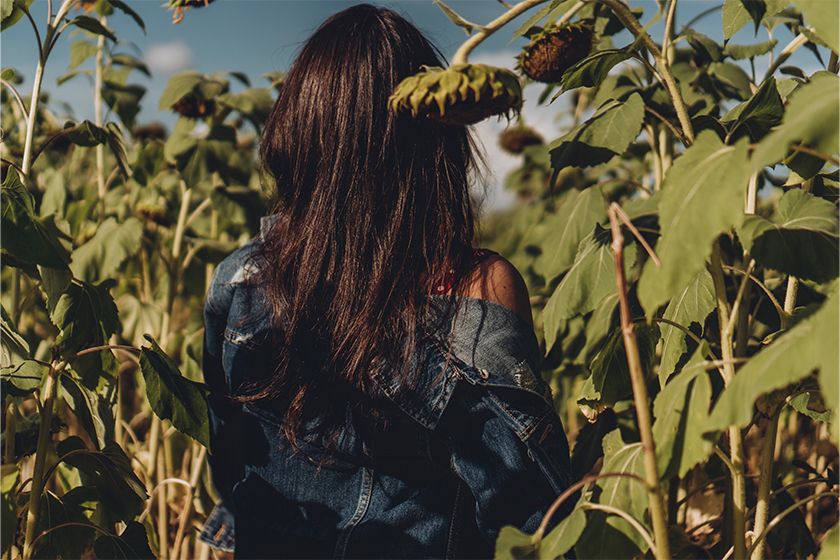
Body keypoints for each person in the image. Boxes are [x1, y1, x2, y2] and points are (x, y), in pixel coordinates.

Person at [199, 4, 573, 558]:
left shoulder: (241, 280)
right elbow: (536, 527)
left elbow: (234, 468)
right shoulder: (474, 289)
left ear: (296, 137)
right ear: (436, 145)